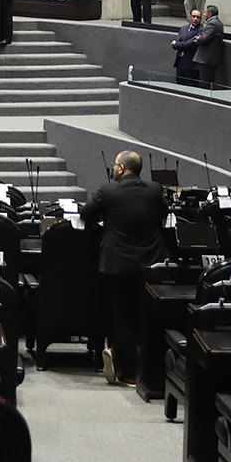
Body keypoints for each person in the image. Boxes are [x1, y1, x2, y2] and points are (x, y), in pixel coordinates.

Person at [87, 150, 167, 384]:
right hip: (150, 264)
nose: (113, 169)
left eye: (115, 165)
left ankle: (127, 371)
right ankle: (148, 370)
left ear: (122, 169)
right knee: (144, 316)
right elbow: (163, 215)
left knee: (122, 318)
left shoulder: (108, 190)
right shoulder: (154, 189)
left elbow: (86, 213)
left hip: (118, 264)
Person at [175, 6, 224, 88]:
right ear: (189, 17)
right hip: (181, 62)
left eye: (198, 17)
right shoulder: (184, 28)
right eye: (193, 16)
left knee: (203, 84)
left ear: (209, 14)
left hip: (198, 62)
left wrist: (176, 44)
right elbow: (179, 39)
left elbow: (195, 42)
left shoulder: (208, 26)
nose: (195, 19)